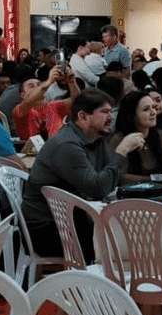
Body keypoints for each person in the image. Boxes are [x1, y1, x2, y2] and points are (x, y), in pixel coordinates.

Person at [22, 90, 136, 259]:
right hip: (48, 230)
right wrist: (122, 151)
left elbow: (108, 178)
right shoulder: (66, 145)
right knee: (120, 244)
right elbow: (98, 188)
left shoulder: (96, 138)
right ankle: (103, 282)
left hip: (74, 219)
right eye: (104, 112)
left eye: (111, 112)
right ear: (83, 117)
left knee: (128, 236)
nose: (110, 117)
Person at [109, 91, 162, 185]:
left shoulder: (159, 136)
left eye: (154, 107)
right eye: (146, 109)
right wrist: (157, 178)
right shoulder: (119, 140)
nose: (153, 112)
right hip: (130, 196)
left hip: (159, 191)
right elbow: (119, 177)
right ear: (132, 115)